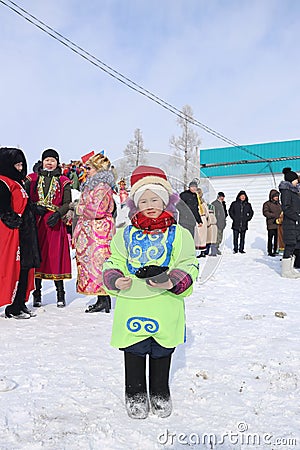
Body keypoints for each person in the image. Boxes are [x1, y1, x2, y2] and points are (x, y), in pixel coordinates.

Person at [103, 165, 199, 419]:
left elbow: (189, 263)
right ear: (135, 204)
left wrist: (173, 281)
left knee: (162, 348)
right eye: (143, 200)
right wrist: (115, 278)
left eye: (155, 199)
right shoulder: (124, 234)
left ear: (166, 201)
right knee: (134, 348)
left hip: (165, 302)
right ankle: (134, 393)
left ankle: (159, 391)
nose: (149, 204)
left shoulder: (179, 234)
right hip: (133, 302)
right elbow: (114, 260)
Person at [25, 149, 72, 307]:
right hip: (36, 222)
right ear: (42, 161)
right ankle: (37, 293)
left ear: (57, 162)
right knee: (37, 256)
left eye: (53, 160)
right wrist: (33, 207)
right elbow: (25, 198)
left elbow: (67, 203)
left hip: (54, 223)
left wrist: (58, 214)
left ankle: (60, 293)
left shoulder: (63, 180)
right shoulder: (32, 179)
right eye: (47, 160)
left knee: (55, 256)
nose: (50, 163)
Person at [0, 147, 41, 319]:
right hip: (11, 231)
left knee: (25, 267)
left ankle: (20, 303)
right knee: (12, 267)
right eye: (16, 164)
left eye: (21, 164)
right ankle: (12, 306)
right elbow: (3, 206)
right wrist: (11, 218)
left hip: (25, 231)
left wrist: (34, 209)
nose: (19, 167)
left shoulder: (19, 182)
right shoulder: (3, 182)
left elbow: (23, 203)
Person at [73, 153, 116, 313]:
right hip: (91, 231)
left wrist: (78, 208)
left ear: (98, 169)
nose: (86, 170)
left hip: (99, 232)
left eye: (89, 168)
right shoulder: (93, 185)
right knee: (93, 266)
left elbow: (97, 210)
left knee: (98, 265)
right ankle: (101, 299)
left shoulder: (102, 186)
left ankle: (104, 299)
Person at [279, 168, 300, 278]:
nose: (297, 181)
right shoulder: (286, 192)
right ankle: (285, 271)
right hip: (290, 223)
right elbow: (286, 208)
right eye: (296, 179)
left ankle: (290, 269)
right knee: (289, 245)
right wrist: (297, 217)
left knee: (293, 245)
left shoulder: (294, 192)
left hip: (295, 223)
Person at [262, 189, 282, 257]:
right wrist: (273, 215)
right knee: (270, 238)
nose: (277, 197)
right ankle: (270, 251)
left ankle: (275, 250)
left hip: (278, 224)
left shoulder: (279, 204)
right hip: (271, 224)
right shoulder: (267, 204)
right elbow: (265, 212)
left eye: (277, 196)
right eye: (275, 196)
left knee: (277, 238)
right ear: (272, 196)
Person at [194, 187, 209, 258]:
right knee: (197, 236)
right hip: (197, 219)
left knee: (202, 236)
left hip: (202, 218)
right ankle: (198, 251)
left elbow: (207, 212)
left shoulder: (202, 202)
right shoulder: (194, 202)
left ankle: (202, 251)